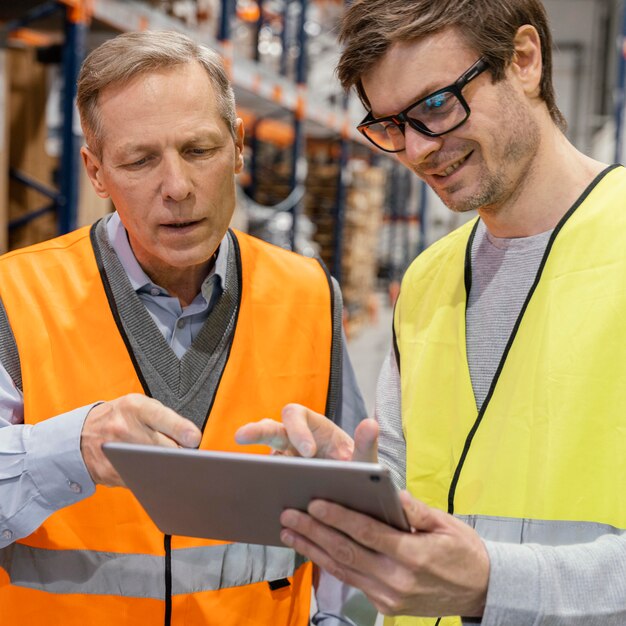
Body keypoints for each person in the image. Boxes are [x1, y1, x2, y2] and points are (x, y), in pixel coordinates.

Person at [236, 0, 626, 624]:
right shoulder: (429, 281)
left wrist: (493, 584)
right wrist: (353, 479)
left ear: (524, 61)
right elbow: (418, 476)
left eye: (437, 105)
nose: (417, 149)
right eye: (391, 126)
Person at [0, 30, 369, 625]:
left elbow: (339, 511)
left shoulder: (308, 294)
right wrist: (73, 447)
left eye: (198, 150)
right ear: (95, 172)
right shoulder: (14, 297)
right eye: (140, 160)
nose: (177, 187)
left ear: (238, 145)